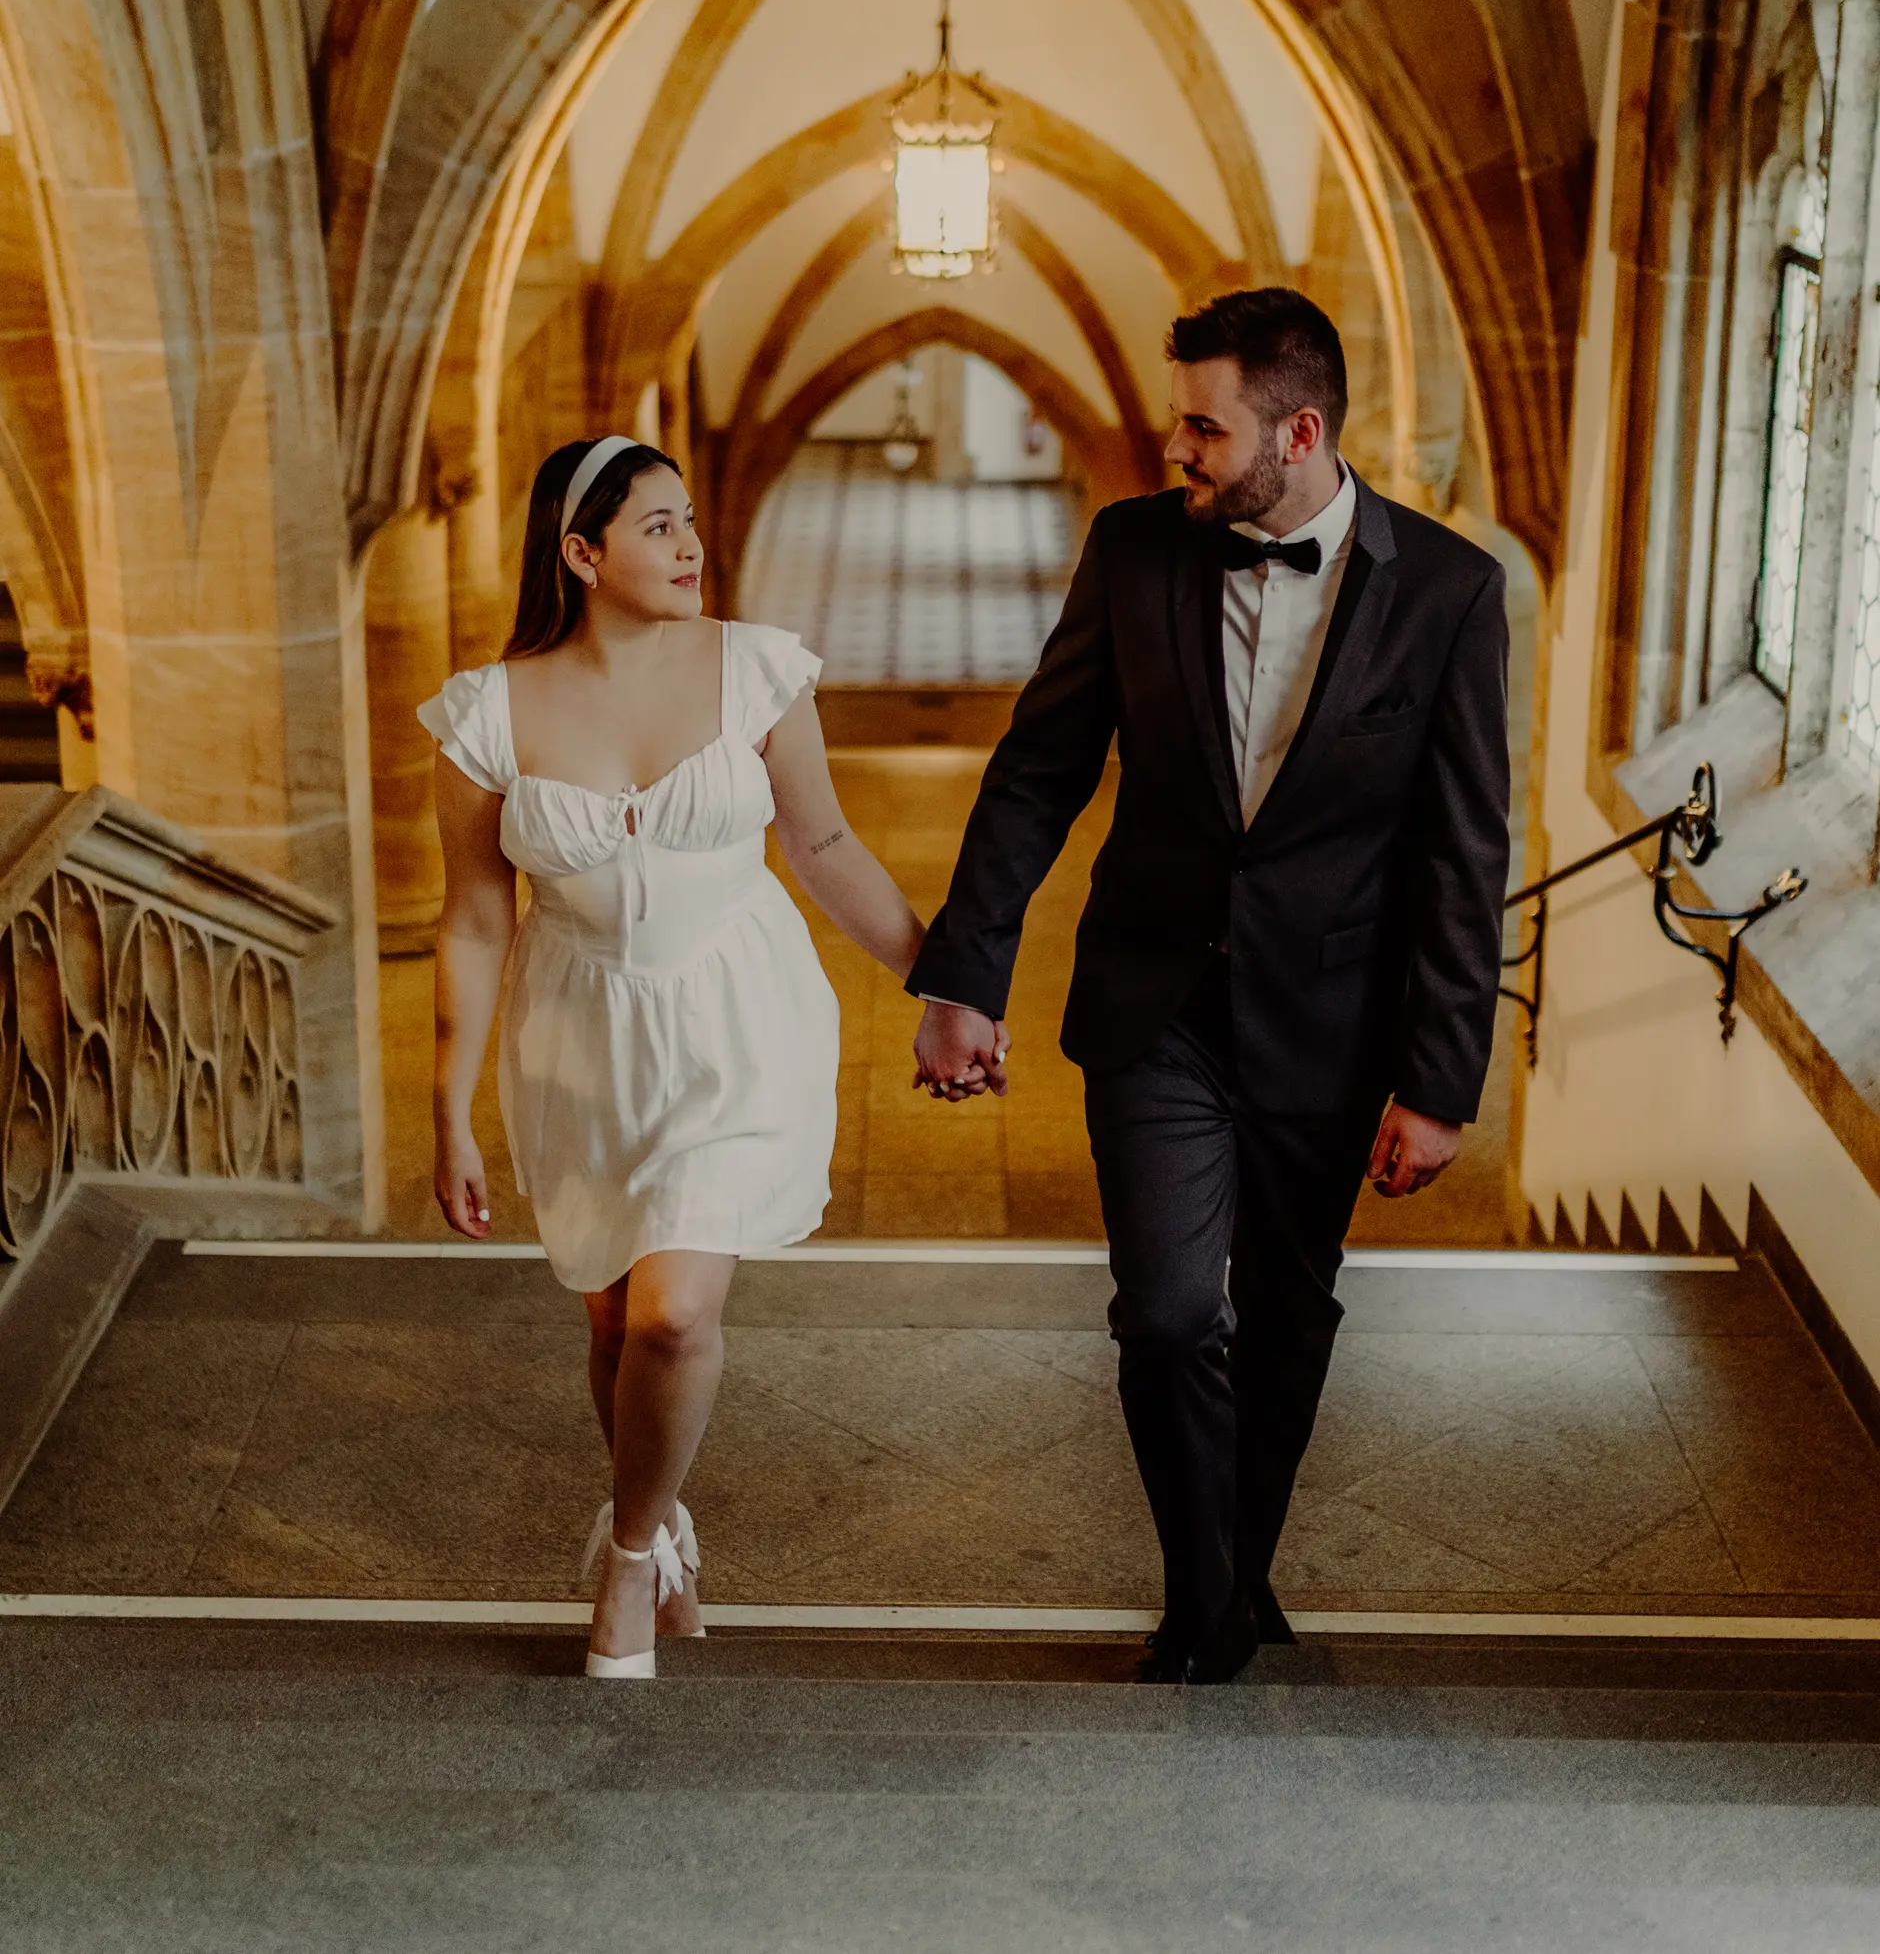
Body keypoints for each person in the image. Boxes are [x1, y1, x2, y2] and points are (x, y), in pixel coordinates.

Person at [907, 289, 1510, 1683]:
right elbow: (1039, 769)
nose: (1172, 446)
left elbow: (1463, 851)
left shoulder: (1450, 592)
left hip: (1331, 1020)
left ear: (1296, 434)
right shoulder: (1133, 552)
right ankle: (1205, 1603)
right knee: (1174, 1311)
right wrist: (966, 974)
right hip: (1153, 1005)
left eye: (1201, 424)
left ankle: (1239, 1565)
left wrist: (1439, 1079)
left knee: (1292, 1317)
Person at [423, 435, 927, 1679]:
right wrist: (447, 1110)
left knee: (674, 1313)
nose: (691, 544)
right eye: (656, 526)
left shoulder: (756, 671)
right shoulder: (488, 712)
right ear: (580, 552)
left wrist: (946, 981)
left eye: (690, 519)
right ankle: (662, 1522)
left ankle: (632, 1555)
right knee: (611, 1320)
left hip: (734, 1024)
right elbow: (477, 917)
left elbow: (822, 849)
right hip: (578, 1041)